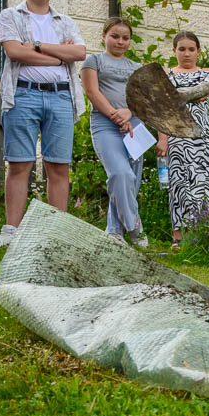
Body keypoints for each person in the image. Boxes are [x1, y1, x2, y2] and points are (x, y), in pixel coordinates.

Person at [0, 0, 86, 247]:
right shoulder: (10, 15)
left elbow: (78, 52)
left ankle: (55, 234)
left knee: (59, 167)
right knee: (20, 164)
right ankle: (11, 233)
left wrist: (39, 47)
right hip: (23, 94)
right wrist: (58, 55)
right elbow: (15, 52)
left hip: (61, 95)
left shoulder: (64, 21)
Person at [83, 17, 148, 248]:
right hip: (105, 124)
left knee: (131, 181)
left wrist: (129, 113)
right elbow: (91, 91)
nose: (120, 41)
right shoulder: (94, 61)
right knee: (121, 174)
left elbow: (143, 98)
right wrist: (115, 115)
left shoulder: (137, 68)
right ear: (104, 37)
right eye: (115, 36)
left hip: (134, 123)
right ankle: (135, 227)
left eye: (125, 38)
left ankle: (114, 232)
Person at [154, 31, 209, 250]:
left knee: (202, 183)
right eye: (182, 49)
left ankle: (201, 233)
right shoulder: (166, 75)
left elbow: (202, 94)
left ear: (199, 51)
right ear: (174, 51)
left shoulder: (207, 74)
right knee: (178, 185)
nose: (186, 54)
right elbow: (161, 110)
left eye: (191, 49)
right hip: (176, 138)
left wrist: (178, 93)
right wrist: (162, 139)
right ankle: (177, 236)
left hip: (201, 138)